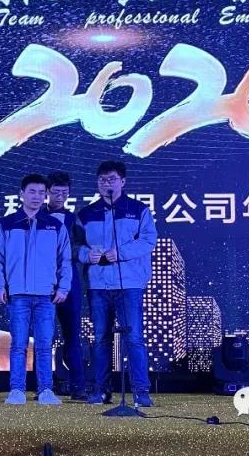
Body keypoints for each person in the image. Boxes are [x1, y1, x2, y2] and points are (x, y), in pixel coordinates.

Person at [75, 160, 158, 408]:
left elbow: (148, 240)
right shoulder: (86, 214)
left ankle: (141, 391)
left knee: (134, 337)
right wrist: (86, 255)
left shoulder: (138, 209)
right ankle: (100, 390)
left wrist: (120, 253)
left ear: (122, 181)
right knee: (101, 338)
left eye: (111, 179)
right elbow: (74, 246)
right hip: (98, 285)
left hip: (129, 284)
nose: (106, 184)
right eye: (102, 180)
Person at [0, 174, 71, 406]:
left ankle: (46, 390)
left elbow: (65, 260)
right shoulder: (7, 223)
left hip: (46, 295)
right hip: (17, 294)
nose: (37, 197)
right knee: (18, 345)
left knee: (44, 346)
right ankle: (17, 390)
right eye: (32, 192)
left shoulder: (55, 225)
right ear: (21, 194)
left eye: (41, 193)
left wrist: (63, 287)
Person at [45, 171, 87, 400]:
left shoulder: (73, 219)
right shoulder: (36, 216)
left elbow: (81, 247)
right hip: (42, 282)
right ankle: (44, 386)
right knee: (44, 337)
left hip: (69, 282)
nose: (60, 196)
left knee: (72, 335)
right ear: (47, 192)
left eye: (65, 192)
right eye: (56, 192)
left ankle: (78, 385)